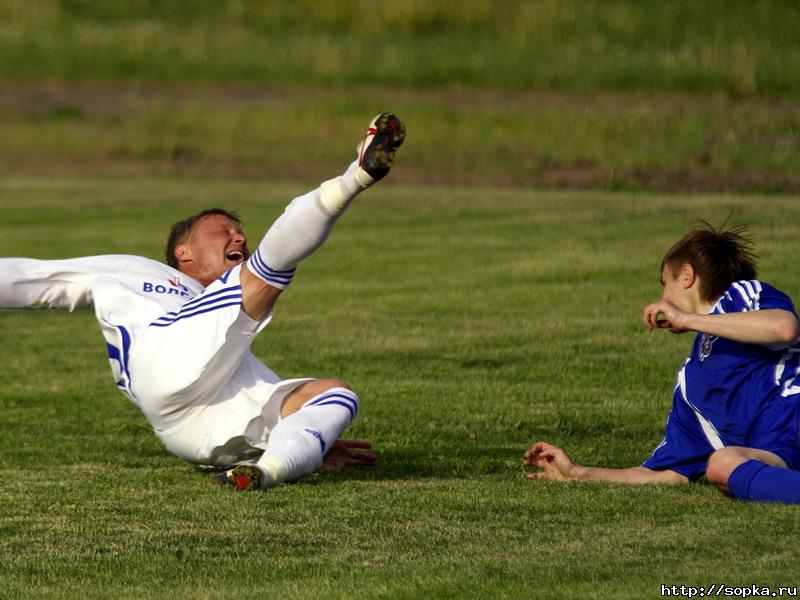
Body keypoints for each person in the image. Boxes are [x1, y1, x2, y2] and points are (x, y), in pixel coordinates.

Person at [0, 113, 406, 491]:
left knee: (334, 396)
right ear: (184, 252)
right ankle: (356, 176)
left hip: (193, 435)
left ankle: (270, 469)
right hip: (159, 359)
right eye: (223, 230)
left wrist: (308, 439)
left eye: (239, 231)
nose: (239, 238)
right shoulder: (137, 270)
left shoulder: (220, 316)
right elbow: (34, 279)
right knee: (271, 267)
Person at [523, 224, 800, 503]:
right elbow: (665, 475)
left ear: (687, 276)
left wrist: (687, 319)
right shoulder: (689, 387)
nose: (662, 298)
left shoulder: (740, 297)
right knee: (722, 465)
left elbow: (784, 327)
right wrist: (579, 472)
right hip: (780, 451)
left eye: (664, 282)